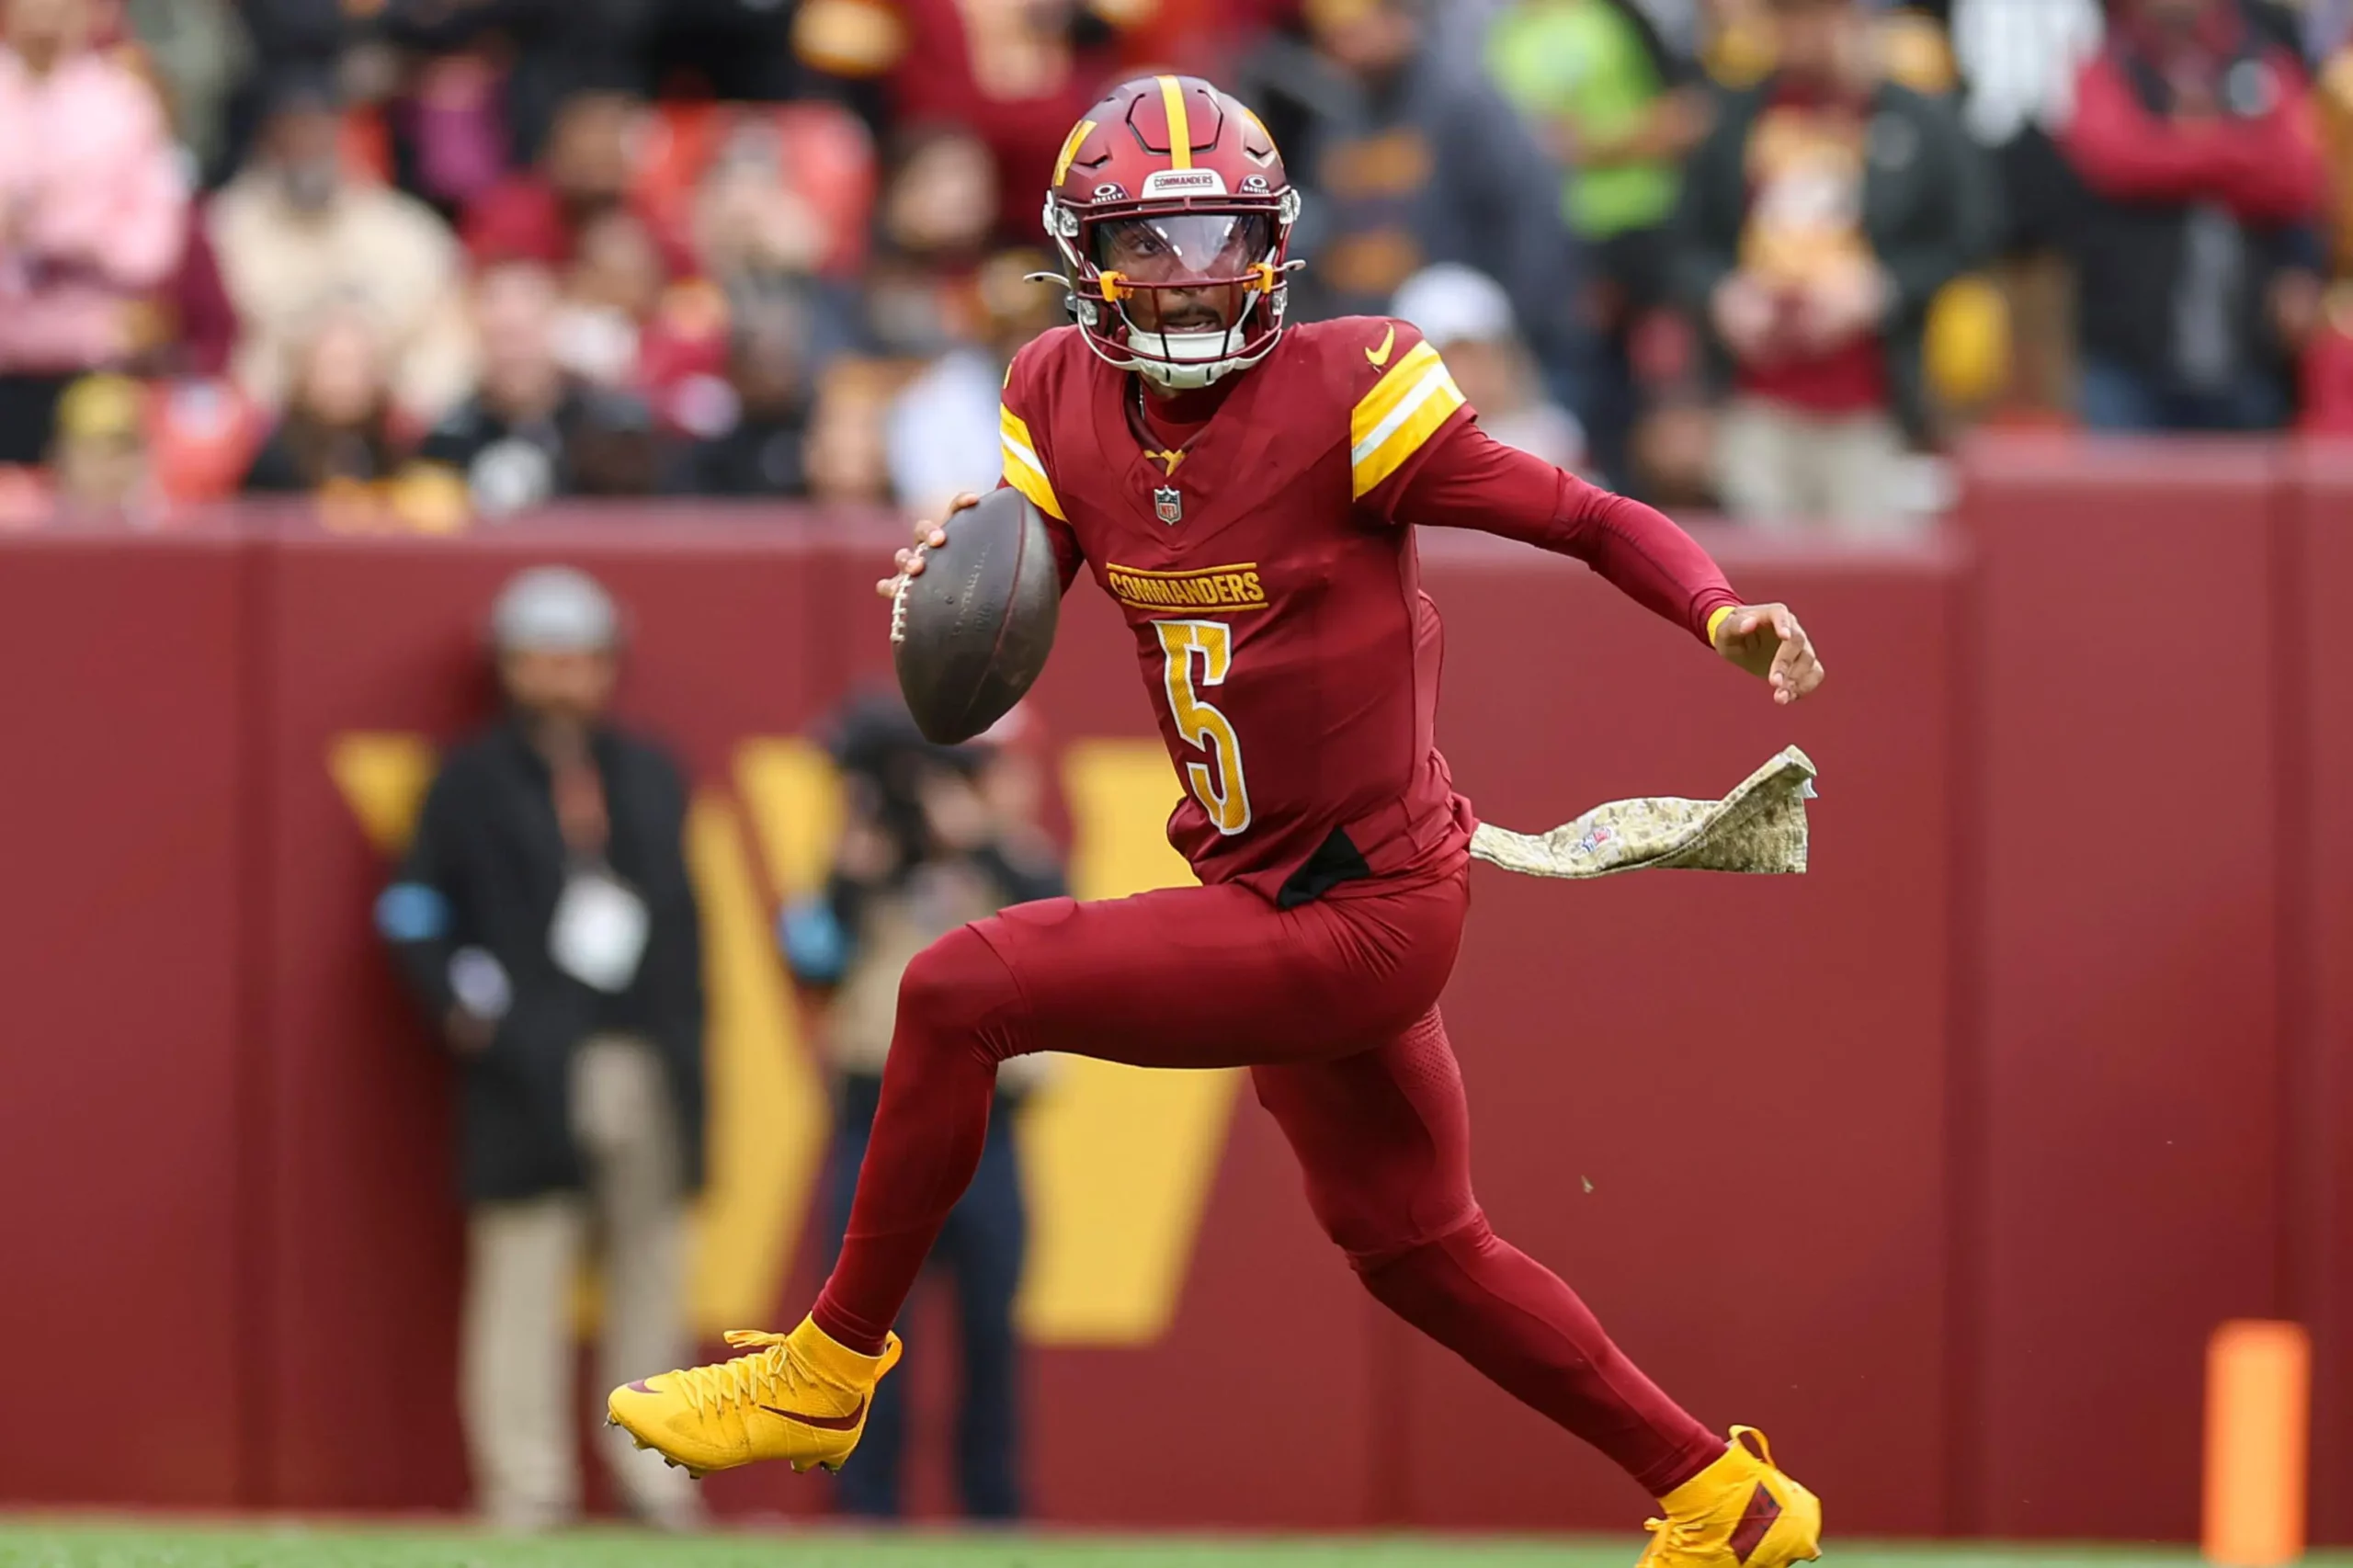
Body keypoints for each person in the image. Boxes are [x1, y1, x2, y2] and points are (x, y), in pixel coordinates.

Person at [608, 74, 1827, 1568]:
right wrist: (970, 570)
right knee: (1421, 1252)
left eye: (1215, 237)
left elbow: (1577, 511)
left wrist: (1717, 610)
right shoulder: (1054, 391)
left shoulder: (1353, 391)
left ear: (1271, 241)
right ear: (1081, 253)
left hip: (1358, 909)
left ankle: (827, 1371)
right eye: (1150, 241)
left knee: (955, 987)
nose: (1188, 276)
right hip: (1267, 882)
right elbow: (1033, 584)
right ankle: (1729, 1497)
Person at [379, 566, 705, 1534]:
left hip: (642, 1053)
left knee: (653, 1273)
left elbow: (684, 925)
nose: (563, 678)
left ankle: (654, 1477)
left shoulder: (649, 770)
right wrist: (466, 1008)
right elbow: (410, 912)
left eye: (581, 659)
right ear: (508, 666)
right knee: (523, 1274)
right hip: (529, 1062)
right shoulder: (468, 779)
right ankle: (528, 1489)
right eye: (541, 658)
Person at [779, 697, 1065, 1521]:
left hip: (987, 1128)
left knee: (989, 1336)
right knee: (859, 1337)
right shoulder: (863, 861)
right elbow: (808, 960)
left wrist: (975, 841)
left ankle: (995, 1515)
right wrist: (848, 873)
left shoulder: (1015, 862)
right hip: (874, 1123)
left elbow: (1057, 923)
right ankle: (866, 1516)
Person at [1671, 0, 1992, 531]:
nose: (1806, 34)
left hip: (1873, 403)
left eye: (1822, 16)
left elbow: (1971, 236)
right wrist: (1723, 294)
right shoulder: (1735, 120)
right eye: (1790, 18)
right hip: (1756, 401)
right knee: (1762, 579)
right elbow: (1684, 244)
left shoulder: (1917, 121)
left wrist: (1881, 289)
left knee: (1868, 577)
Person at [2059, 0, 2328, 432]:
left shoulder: (2261, 58)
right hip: (2129, 360)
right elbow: (2116, 159)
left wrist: (2177, 149)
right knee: (2123, 497)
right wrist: (2239, 152)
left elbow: (2298, 174)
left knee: (2243, 496)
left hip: (2248, 357)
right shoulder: (2108, 63)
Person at [209, 74, 478, 423]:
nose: (305, 147)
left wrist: (411, 406)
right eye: (291, 133)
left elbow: (451, 334)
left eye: (317, 131)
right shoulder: (226, 228)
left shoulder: (404, 229)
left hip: (391, 431)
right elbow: (217, 347)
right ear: (267, 141)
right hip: (267, 429)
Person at [0, 0, 188, 466]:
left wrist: (66, 234)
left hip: (92, 352)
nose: (45, 15)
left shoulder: (123, 103)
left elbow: (155, 243)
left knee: (90, 515)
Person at [415, 258, 666, 517]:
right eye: (500, 337)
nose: (513, 354)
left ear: (554, 325)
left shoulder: (612, 429)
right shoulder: (449, 438)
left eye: (523, 334)